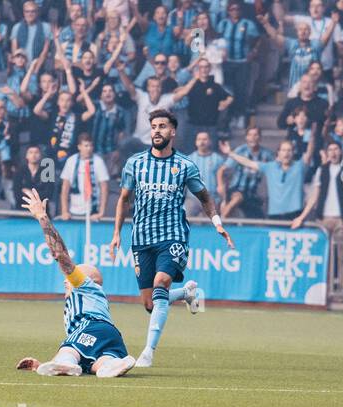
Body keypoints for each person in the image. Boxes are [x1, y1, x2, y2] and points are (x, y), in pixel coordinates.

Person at [109, 108, 233, 368]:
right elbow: (123, 199)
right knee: (149, 303)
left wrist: (217, 223)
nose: (157, 131)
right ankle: (188, 293)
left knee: (161, 282)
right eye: (154, 126)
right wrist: (116, 234)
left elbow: (205, 197)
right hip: (141, 237)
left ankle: (148, 352)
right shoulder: (135, 163)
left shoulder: (185, 165)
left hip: (172, 235)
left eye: (162, 126)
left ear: (173, 132)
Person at [15, 188, 136, 379]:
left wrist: (42, 217)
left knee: (68, 350)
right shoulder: (95, 297)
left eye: (72, 276)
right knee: (95, 361)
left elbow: (59, 254)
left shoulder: (83, 286)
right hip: (111, 335)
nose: (66, 280)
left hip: (91, 326)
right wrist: (39, 365)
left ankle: (64, 363)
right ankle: (110, 365)